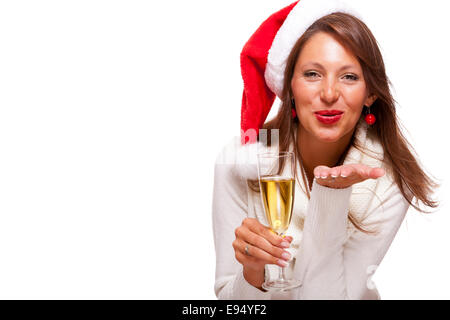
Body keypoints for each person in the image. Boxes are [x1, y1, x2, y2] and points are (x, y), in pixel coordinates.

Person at [212, 0, 439, 300]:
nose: (330, 94)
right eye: (312, 74)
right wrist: (252, 273)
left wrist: (330, 198)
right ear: (289, 86)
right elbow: (230, 303)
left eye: (349, 76)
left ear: (371, 92)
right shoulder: (240, 163)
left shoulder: (390, 179)